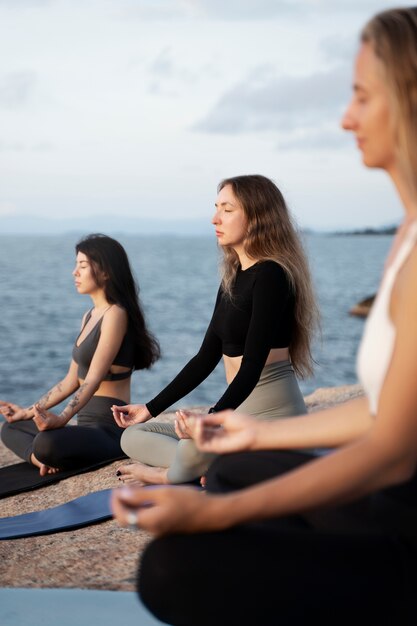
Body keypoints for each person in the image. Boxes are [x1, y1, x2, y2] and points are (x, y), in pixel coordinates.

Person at [111, 7, 417, 625]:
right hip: (360, 473)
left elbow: (394, 448)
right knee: (237, 466)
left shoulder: (280, 273)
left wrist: (214, 507)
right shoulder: (404, 239)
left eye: (361, 95)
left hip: (403, 518)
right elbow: (388, 413)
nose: (344, 117)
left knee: (172, 565)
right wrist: (248, 433)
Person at [112, 174, 317, 485]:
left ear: (257, 217)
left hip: (269, 419)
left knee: (193, 448)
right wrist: (150, 408)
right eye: (216, 207)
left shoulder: (272, 275)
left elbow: (251, 366)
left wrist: (210, 419)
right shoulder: (233, 279)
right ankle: (206, 464)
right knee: (133, 436)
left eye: (227, 209)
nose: (215, 218)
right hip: (233, 417)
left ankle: (168, 475)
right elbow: (205, 358)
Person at [0, 234, 159, 476]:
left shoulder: (116, 314)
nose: (75, 272)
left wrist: (62, 419)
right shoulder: (89, 316)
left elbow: (93, 380)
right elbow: (69, 382)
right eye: (76, 265)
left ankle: (42, 454)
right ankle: (40, 459)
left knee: (47, 442)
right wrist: (27, 412)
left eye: (83, 266)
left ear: (105, 272)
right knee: (11, 428)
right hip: (85, 428)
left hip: (110, 429)